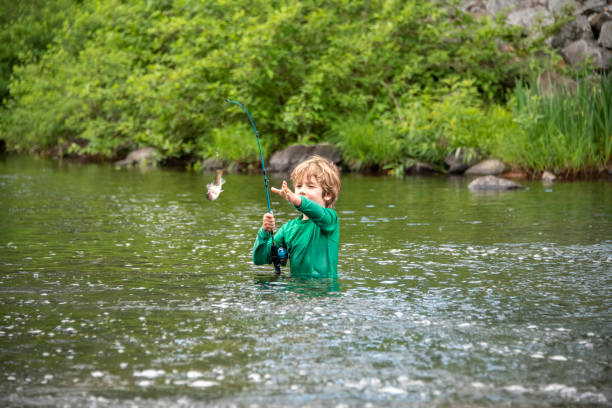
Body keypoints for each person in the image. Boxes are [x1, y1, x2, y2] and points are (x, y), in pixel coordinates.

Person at [252, 155, 341, 279]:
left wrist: (296, 200)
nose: (302, 191)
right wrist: (264, 231)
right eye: (298, 186)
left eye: (310, 186)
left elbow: (318, 213)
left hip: (324, 294)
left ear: (328, 194)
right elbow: (259, 258)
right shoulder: (288, 229)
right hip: (296, 294)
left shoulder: (331, 220)